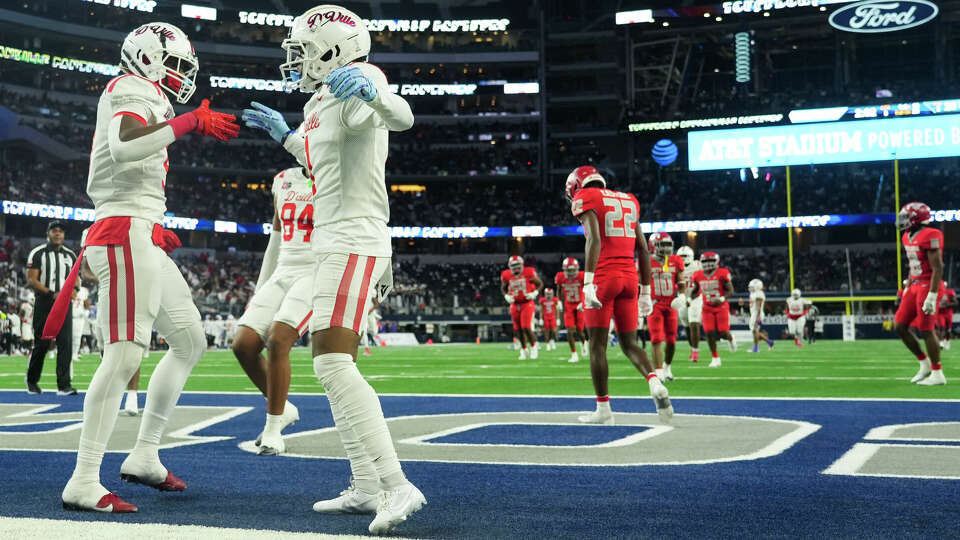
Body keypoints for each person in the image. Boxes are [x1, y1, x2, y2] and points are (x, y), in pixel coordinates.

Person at [241, 6, 422, 534]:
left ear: (335, 47)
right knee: (328, 365)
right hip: (334, 241)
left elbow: (402, 116)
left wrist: (373, 94)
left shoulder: (359, 77)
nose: (295, 60)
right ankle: (366, 485)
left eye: (302, 49)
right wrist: (284, 136)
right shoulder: (321, 99)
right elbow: (321, 163)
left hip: (355, 237)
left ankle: (395, 483)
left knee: (333, 366)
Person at [59, 22, 240, 513]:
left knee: (190, 340)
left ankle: (144, 454)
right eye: (176, 63)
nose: (181, 75)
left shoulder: (147, 93)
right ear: (146, 56)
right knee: (122, 356)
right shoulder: (130, 87)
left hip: (139, 230)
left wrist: (153, 223)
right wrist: (186, 124)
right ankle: (82, 479)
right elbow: (124, 145)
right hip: (121, 231)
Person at [566, 165, 672, 426]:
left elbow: (595, 239)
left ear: (577, 185)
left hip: (603, 276)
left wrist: (588, 281)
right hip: (630, 279)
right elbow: (644, 250)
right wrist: (646, 291)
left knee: (597, 346)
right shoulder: (629, 199)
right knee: (630, 343)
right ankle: (655, 381)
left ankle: (603, 410)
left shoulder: (585, 198)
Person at [233, 166, 313, 456]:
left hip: (315, 270)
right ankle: (285, 407)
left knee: (279, 340)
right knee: (243, 344)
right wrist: (260, 287)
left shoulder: (337, 172)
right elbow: (275, 240)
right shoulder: (283, 178)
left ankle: (272, 427)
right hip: (283, 270)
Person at [894, 202, 946, 386]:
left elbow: (937, 268)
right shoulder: (906, 236)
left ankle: (937, 373)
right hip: (915, 284)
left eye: (906, 217)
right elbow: (912, 264)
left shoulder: (931, 234)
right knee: (899, 326)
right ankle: (924, 363)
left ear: (917, 218)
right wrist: (907, 285)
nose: (902, 221)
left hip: (928, 284)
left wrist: (932, 294)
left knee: (926, 329)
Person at [25, 221, 78, 395]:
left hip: (64, 305)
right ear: (48, 233)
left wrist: (75, 290)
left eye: (61, 231)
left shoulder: (70, 255)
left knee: (65, 343)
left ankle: (64, 385)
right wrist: (51, 293)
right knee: (41, 343)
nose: (58, 234)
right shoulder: (38, 253)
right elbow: (32, 280)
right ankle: (32, 381)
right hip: (45, 302)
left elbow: (76, 278)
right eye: (54, 231)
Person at [647, 233, 684, 382]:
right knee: (656, 338)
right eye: (663, 245)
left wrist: (682, 295)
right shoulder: (646, 261)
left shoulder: (675, 260)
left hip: (671, 304)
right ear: (653, 246)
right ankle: (658, 370)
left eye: (669, 245)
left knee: (672, 339)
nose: (667, 248)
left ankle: (667, 366)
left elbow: (680, 281)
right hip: (655, 303)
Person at [690, 252, 735, 368]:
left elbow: (730, 291)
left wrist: (721, 298)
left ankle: (730, 338)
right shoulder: (698, 275)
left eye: (710, 261)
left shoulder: (722, 273)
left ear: (716, 262)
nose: (708, 264)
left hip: (721, 306)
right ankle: (715, 358)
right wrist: (688, 299)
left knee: (723, 332)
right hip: (707, 307)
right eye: (705, 261)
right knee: (709, 332)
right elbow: (695, 290)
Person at [500, 255, 543, 360]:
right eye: (513, 266)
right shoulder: (506, 275)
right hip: (515, 304)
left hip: (527, 302)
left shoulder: (528, 272)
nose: (516, 268)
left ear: (522, 265)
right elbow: (503, 287)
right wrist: (506, 296)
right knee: (517, 329)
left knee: (526, 327)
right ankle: (523, 349)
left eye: (517, 265)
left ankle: (533, 347)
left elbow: (540, 283)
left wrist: (535, 293)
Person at [555, 257, 587, 363]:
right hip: (568, 305)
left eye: (573, 270)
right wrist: (559, 301)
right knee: (570, 330)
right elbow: (559, 289)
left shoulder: (582, 276)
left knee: (580, 330)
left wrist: (585, 301)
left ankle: (584, 342)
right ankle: (574, 353)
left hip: (580, 305)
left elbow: (589, 288)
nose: (571, 272)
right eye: (569, 270)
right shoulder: (560, 277)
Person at [675, 245, 703, 362]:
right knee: (686, 325)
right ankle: (692, 348)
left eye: (685, 256)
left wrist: (691, 298)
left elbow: (701, 283)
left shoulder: (697, 265)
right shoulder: (675, 267)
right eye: (681, 256)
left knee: (694, 323)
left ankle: (695, 352)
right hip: (682, 298)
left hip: (695, 297)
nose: (683, 258)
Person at [747, 279, 774, 353]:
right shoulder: (753, 293)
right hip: (754, 314)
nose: (751, 288)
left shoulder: (759, 294)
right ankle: (769, 342)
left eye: (752, 287)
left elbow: (759, 306)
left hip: (757, 314)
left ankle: (756, 348)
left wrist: (758, 317)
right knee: (755, 331)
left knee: (754, 331)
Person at [71, 284, 91, 363]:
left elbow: (86, 303)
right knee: (69, 337)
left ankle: (74, 354)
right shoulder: (67, 286)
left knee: (77, 337)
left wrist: (86, 312)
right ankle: (70, 354)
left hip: (79, 317)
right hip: (69, 316)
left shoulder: (83, 290)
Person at [937, 281, 956, 350]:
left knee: (948, 329)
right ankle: (941, 342)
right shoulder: (936, 292)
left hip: (948, 313)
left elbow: (956, 302)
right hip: (939, 313)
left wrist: (947, 304)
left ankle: (947, 341)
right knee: (941, 327)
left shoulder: (949, 292)